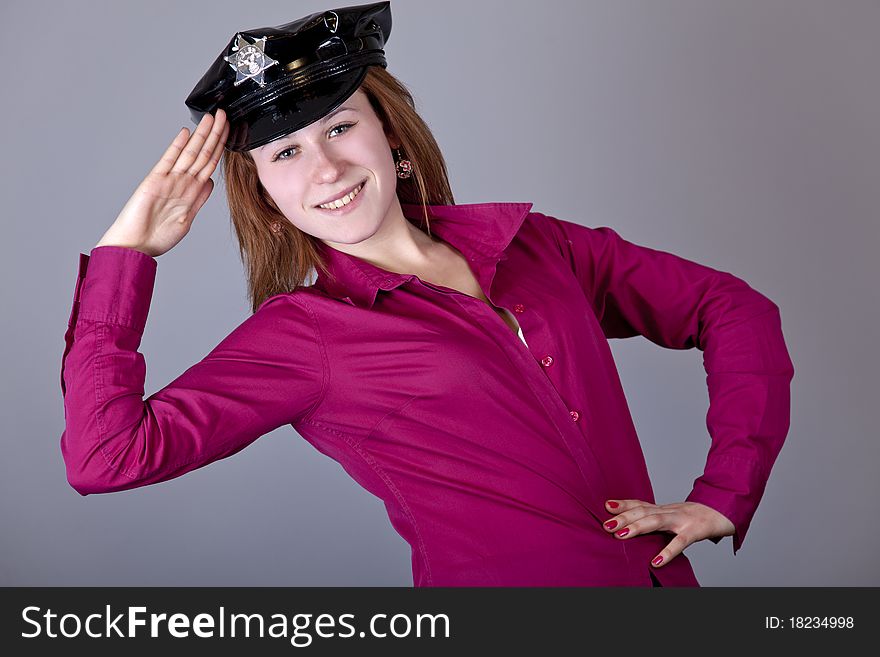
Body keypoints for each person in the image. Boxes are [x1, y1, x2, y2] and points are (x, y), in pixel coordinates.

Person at [59, 1, 795, 587]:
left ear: (393, 138)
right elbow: (106, 456)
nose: (325, 169)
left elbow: (731, 308)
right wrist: (127, 255)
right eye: (286, 151)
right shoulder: (306, 335)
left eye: (340, 126)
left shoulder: (538, 244)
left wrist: (725, 491)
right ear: (267, 195)